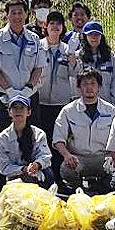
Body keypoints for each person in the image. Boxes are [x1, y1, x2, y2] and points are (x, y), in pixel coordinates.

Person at [0, 0, 44, 136]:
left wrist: (29, 88)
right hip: (6, 97)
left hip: (30, 96)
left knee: (32, 137)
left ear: (26, 14)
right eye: (13, 13)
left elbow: (38, 67)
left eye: (20, 12)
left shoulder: (34, 39)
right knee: (4, 136)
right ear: (7, 15)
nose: (17, 16)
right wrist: (9, 90)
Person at [53, 70, 115, 192]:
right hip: (78, 158)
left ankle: (102, 187)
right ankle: (78, 189)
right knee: (66, 169)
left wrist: (112, 155)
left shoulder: (111, 110)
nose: (89, 88)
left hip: (103, 157)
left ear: (99, 87)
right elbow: (58, 139)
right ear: (78, 88)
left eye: (93, 83)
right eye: (85, 84)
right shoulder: (68, 111)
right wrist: (67, 155)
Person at [36, 10, 76, 181]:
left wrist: (74, 59)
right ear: (46, 26)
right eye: (51, 23)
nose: (55, 27)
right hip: (41, 101)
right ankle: (45, 176)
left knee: (59, 140)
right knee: (43, 139)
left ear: (62, 28)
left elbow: (74, 73)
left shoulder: (67, 50)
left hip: (60, 103)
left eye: (58, 24)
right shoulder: (38, 46)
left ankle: (59, 178)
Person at [0, 95, 54, 189]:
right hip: (14, 176)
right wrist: (23, 169)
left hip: (36, 173)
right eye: (15, 108)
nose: (18, 111)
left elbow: (45, 156)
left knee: (49, 175)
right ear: (9, 113)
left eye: (22, 108)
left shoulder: (39, 134)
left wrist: (37, 164)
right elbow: (4, 167)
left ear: (29, 112)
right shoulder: (2, 139)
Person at [71, 21, 115, 104]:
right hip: (84, 103)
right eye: (90, 34)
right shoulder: (78, 56)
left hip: (106, 103)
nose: (94, 37)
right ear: (85, 37)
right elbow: (75, 81)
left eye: (97, 34)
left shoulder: (110, 57)